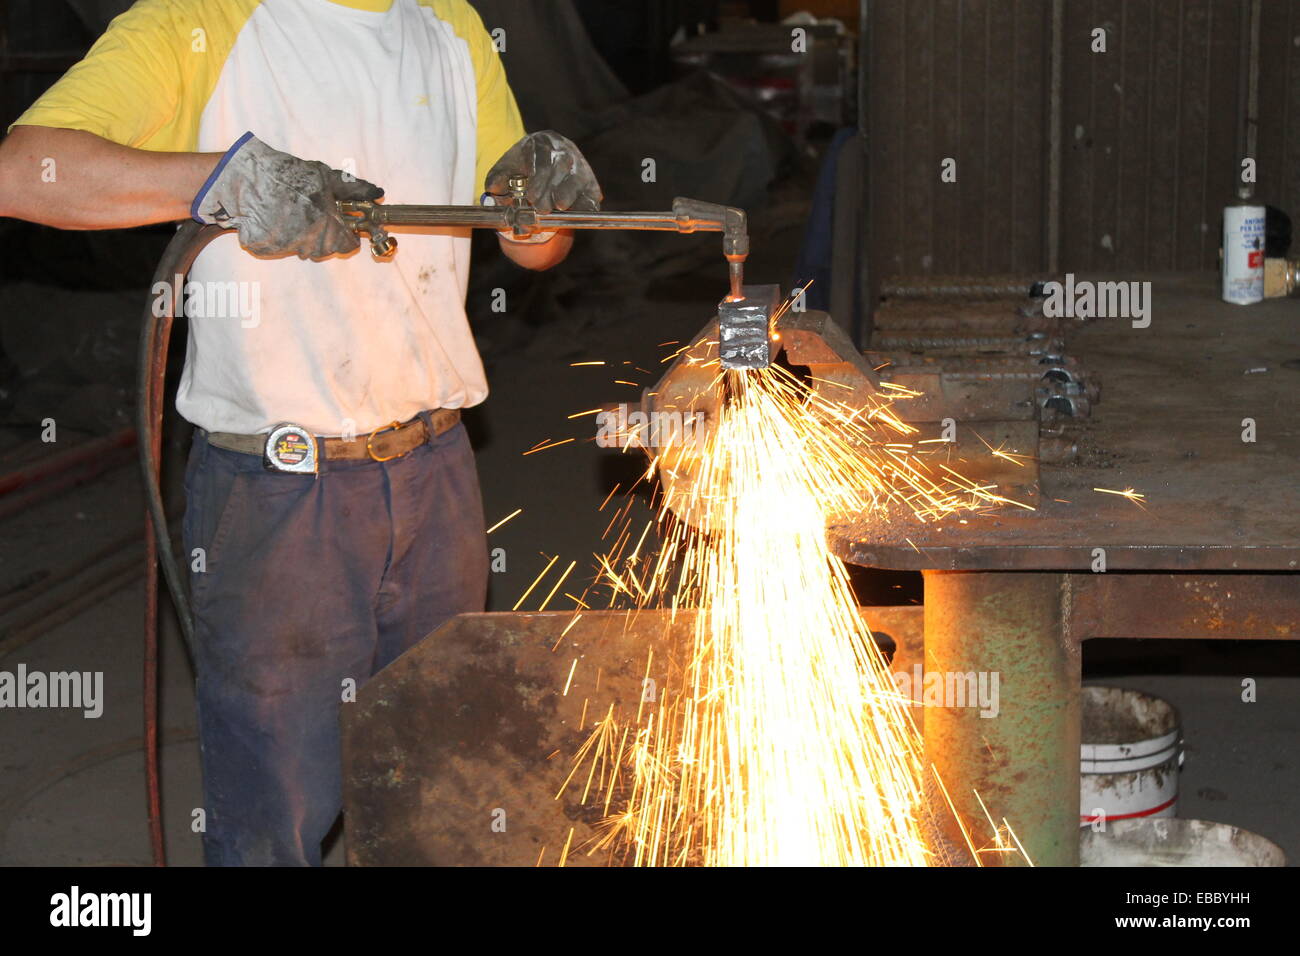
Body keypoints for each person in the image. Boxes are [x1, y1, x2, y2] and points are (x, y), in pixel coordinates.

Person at [0, 0, 602, 866]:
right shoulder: (201, 20)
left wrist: (542, 208)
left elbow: (528, 246)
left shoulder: (451, 24)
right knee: (273, 823)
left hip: (437, 471)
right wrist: (222, 179)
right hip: (281, 494)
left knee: (444, 791)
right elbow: (26, 170)